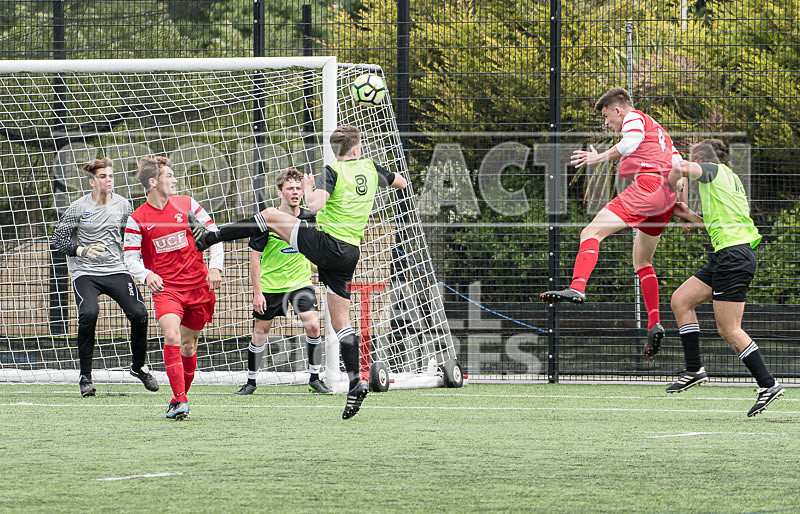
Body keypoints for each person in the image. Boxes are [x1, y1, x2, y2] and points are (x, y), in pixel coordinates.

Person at [190, 125, 407, 419]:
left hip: (328, 244)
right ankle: (356, 381)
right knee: (341, 323)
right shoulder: (370, 168)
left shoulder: (332, 170)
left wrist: (309, 189)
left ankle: (210, 238)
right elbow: (401, 182)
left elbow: (315, 205)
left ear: (335, 150)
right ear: (357, 148)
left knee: (267, 216)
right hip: (350, 254)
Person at [540, 87, 684, 357]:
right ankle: (654, 323)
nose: (607, 124)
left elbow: (629, 143)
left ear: (618, 110)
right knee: (642, 262)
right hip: (666, 196)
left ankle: (577, 287)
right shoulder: (661, 133)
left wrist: (598, 158)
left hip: (649, 188)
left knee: (590, 232)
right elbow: (679, 166)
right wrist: (680, 204)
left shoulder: (634, 118)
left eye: (607, 117)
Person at [667, 139, 784, 416]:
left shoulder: (714, 171)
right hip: (726, 255)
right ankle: (695, 369)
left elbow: (679, 167)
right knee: (681, 301)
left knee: (729, 329)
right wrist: (690, 215)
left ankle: (768, 384)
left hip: (734, 258)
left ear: (704, 159)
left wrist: (676, 185)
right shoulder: (728, 181)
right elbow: (716, 225)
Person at [123, 156, 223, 420]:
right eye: (169, 175)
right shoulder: (137, 219)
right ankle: (180, 400)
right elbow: (130, 258)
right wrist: (146, 275)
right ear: (154, 182)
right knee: (171, 336)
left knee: (188, 347)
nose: (175, 179)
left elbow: (216, 236)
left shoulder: (188, 204)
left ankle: (178, 398)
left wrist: (216, 268)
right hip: (167, 290)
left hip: (198, 287)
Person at [51, 157, 157, 397]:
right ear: (92, 182)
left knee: (139, 313)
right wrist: (81, 251)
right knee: (89, 313)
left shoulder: (124, 205)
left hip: (116, 270)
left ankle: (139, 367)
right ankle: (85, 377)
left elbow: (130, 236)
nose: (108, 180)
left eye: (110, 176)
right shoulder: (78, 207)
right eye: (102, 176)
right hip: (85, 273)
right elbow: (58, 239)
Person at [235, 168, 332, 396]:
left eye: (299, 188)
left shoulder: (310, 218)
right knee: (260, 332)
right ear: (280, 192)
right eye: (290, 188)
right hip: (270, 286)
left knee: (313, 325)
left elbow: (315, 252)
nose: (295, 192)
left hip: (300, 283)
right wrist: (257, 293)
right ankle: (250, 382)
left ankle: (315, 378)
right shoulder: (267, 219)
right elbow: (255, 258)